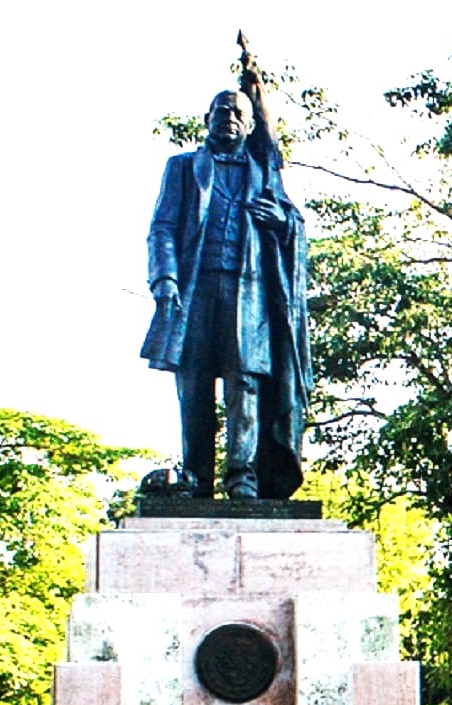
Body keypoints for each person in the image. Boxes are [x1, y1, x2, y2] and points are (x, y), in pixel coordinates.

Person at [140, 87, 311, 500]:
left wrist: (282, 223)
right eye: (221, 111)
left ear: (250, 125)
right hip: (195, 290)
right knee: (194, 386)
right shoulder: (181, 168)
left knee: (245, 384)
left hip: (250, 294)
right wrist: (165, 279)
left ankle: (242, 477)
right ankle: (196, 477)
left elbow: (296, 224)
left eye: (238, 112)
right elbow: (162, 228)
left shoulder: (265, 173)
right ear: (207, 119)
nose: (229, 118)